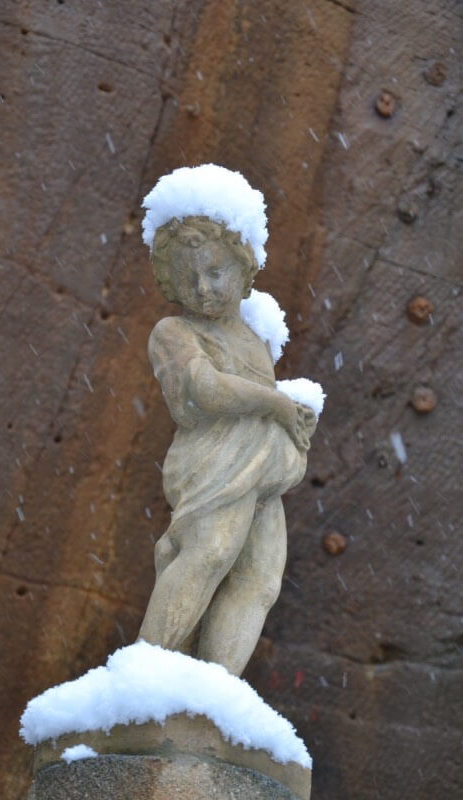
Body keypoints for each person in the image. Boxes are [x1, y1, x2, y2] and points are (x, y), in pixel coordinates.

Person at [138, 215, 316, 676]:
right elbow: (205, 391)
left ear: (244, 267)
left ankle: (214, 690)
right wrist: (276, 405)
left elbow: (263, 404)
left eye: (215, 272)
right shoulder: (175, 332)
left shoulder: (257, 340)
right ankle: (144, 672)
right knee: (209, 552)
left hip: (262, 472)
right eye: (188, 277)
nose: (202, 288)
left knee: (258, 581)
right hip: (214, 461)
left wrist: (293, 417)